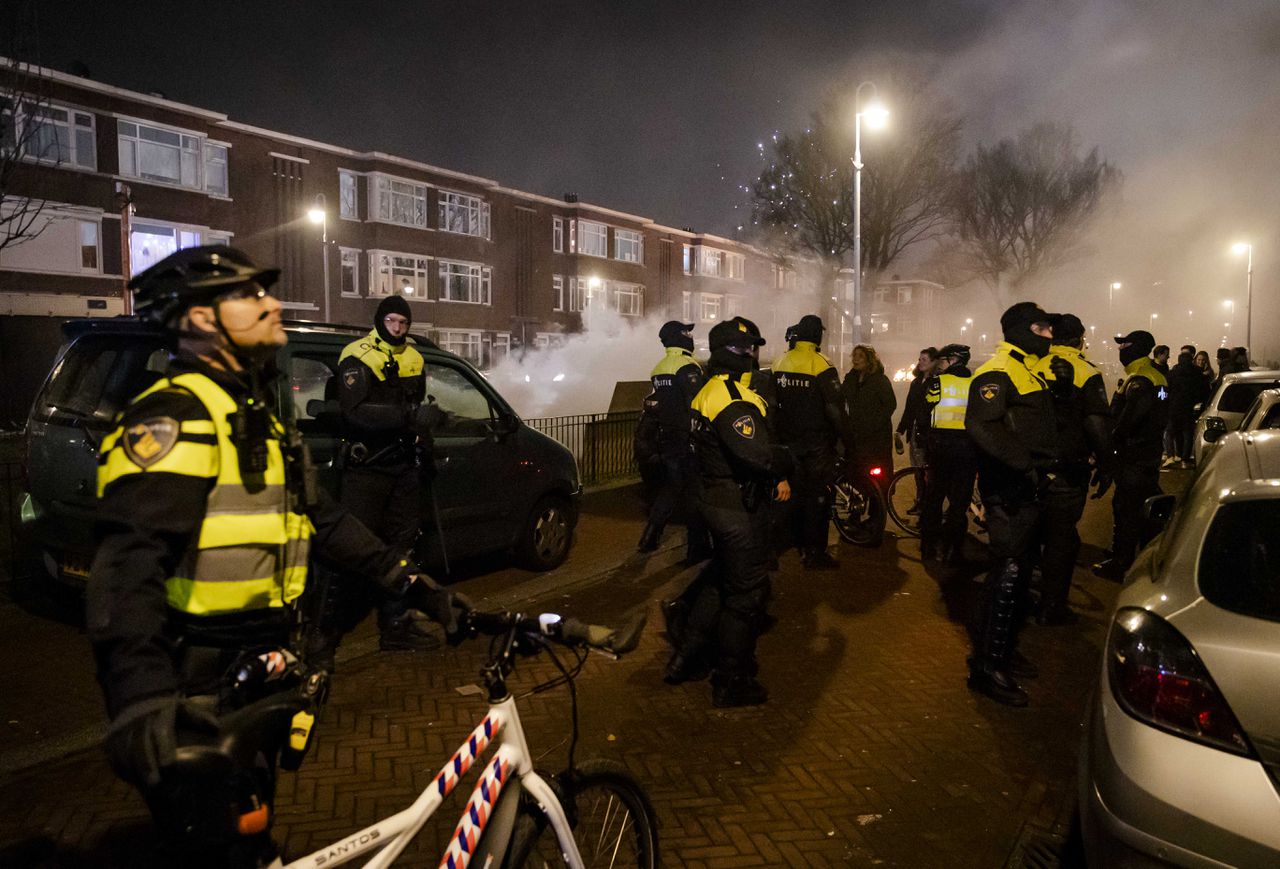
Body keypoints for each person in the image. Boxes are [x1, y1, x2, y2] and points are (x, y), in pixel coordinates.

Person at [86, 246, 464, 864]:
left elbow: (331, 524)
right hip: (200, 689)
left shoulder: (256, 418)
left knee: (252, 839)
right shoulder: (178, 416)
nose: (273, 304)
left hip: (259, 674)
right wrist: (141, 698)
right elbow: (126, 566)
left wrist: (420, 588)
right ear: (205, 320)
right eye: (252, 295)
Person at [665, 320, 792, 708]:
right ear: (727, 354)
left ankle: (685, 657)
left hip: (712, 501)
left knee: (720, 580)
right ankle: (731, 679)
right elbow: (756, 453)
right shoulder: (729, 396)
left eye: (753, 348)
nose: (752, 355)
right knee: (746, 595)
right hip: (735, 506)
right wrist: (788, 461)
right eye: (744, 349)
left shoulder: (710, 389)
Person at [311, 296, 442, 662]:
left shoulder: (415, 357)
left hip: (403, 469)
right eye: (392, 322)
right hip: (367, 469)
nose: (398, 329)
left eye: (403, 322)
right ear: (380, 321)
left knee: (401, 549)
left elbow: (417, 410)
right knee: (349, 552)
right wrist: (410, 415)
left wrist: (425, 440)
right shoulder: (357, 354)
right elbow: (355, 414)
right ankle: (323, 635)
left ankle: (396, 625)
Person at [965, 302, 1065, 706]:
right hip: (1009, 490)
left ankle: (1002, 650)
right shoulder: (998, 371)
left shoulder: (1030, 370)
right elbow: (982, 425)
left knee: (1019, 573)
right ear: (1022, 330)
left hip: (1029, 488)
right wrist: (1026, 469)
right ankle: (987, 667)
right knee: (1006, 574)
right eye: (1042, 329)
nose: (1049, 336)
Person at [1030, 314, 1111, 626]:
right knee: (1061, 540)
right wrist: (1106, 465)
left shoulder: (1030, 365)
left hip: (1027, 469)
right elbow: (1096, 423)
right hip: (1066, 471)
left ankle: (1021, 597)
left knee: (1029, 536)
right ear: (1080, 339)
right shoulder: (1085, 372)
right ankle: (1052, 607)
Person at [772, 315, 850, 569]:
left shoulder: (780, 361)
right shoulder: (821, 364)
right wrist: (846, 439)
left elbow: (772, 405)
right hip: (816, 443)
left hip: (787, 442)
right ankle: (815, 553)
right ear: (817, 336)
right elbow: (835, 409)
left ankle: (783, 544)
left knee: (791, 495)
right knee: (817, 497)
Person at [1092, 330, 1170, 582]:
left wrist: (1110, 442)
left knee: (1126, 507)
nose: (1120, 348)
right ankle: (1143, 557)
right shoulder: (1155, 376)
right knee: (1145, 506)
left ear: (1137, 348)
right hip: (1148, 453)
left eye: (1124, 344)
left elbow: (1128, 421)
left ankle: (1122, 562)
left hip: (1134, 455)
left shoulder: (1140, 380)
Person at [637, 320, 709, 562]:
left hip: (666, 438)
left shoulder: (658, 369)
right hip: (687, 439)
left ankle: (649, 536)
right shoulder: (687, 366)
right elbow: (696, 405)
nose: (690, 335)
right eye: (686, 331)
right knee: (694, 494)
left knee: (671, 488)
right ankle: (696, 548)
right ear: (678, 337)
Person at [918, 343, 977, 565]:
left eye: (943, 361)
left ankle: (929, 547)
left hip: (941, 449)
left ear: (953, 361)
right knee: (959, 503)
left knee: (934, 499)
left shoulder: (938, 383)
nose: (940, 365)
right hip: (968, 451)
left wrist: (924, 438)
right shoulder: (975, 385)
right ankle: (953, 550)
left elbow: (924, 414)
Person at [842, 344, 897, 493]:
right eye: (854, 356)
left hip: (876, 437)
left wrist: (874, 424)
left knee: (877, 473)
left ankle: (877, 508)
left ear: (869, 359)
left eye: (860, 356)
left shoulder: (880, 380)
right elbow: (841, 397)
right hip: (856, 435)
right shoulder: (851, 378)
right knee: (855, 473)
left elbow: (890, 405)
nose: (856, 359)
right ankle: (856, 509)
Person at [895, 348, 939, 470]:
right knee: (916, 468)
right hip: (914, 431)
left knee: (925, 469)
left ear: (934, 362)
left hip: (927, 433)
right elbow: (909, 408)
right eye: (919, 359)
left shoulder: (936, 382)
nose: (920, 362)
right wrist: (901, 429)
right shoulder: (916, 382)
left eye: (924, 359)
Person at [1165, 349, 1208, 468]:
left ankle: (1170, 456)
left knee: (1170, 432)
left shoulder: (1172, 373)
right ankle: (1185, 459)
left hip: (1173, 407)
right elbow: (1203, 391)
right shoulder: (1197, 373)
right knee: (1187, 433)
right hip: (1189, 407)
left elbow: (1165, 389)